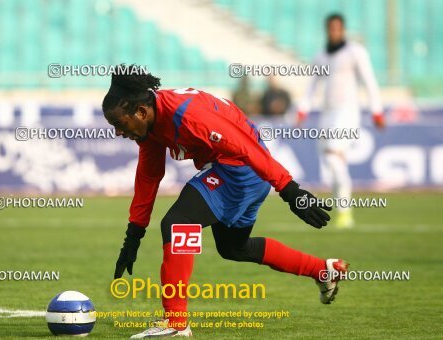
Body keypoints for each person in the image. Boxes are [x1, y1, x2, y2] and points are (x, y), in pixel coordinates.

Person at [102, 65, 349, 338]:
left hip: (241, 169)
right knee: (234, 248)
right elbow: (149, 177)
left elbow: (245, 148)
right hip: (241, 172)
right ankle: (323, 270)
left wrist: (289, 190)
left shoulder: (188, 115)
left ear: (140, 112)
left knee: (179, 223)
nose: (118, 132)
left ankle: (175, 321)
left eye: (119, 124)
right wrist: (133, 235)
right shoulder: (150, 122)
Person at [297, 13, 385, 229]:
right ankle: (342, 209)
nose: (334, 32)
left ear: (343, 30)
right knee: (331, 162)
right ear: (327, 30)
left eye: (338, 28)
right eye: (331, 28)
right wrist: (302, 110)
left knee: (334, 158)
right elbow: (312, 87)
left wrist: (377, 111)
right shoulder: (321, 56)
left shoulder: (355, 52)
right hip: (326, 114)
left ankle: (345, 212)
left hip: (347, 111)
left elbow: (369, 80)